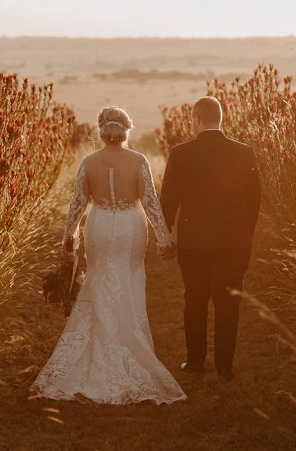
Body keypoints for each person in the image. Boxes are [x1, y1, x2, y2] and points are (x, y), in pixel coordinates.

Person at [30, 107, 186, 404]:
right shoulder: (138, 161)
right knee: (129, 280)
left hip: (99, 225)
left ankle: (98, 345)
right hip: (130, 228)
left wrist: (69, 241)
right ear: (126, 130)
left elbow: (76, 205)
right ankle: (129, 342)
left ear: (102, 130)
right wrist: (164, 239)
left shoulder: (88, 162)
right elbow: (151, 203)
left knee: (98, 279)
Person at [160, 96, 261, 381]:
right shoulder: (244, 152)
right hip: (234, 242)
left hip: (194, 243)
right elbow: (254, 199)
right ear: (220, 119)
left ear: (196, 120)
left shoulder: (180, 154)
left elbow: (169, 200)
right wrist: (245, 233)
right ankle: (224, 367)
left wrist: (165, 235)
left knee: (195, 300)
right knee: (228, 304)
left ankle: (195, 362)